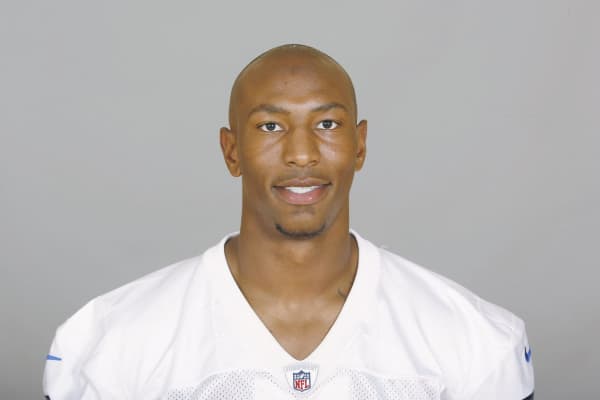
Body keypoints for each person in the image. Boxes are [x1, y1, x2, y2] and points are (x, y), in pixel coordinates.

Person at [43, 44, 534, 399]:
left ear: (359, 145)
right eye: (271, 126)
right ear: (231, 151)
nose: (301, 154)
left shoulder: (477, 341)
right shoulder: (108, 342)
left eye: (327, 124)